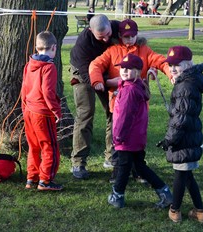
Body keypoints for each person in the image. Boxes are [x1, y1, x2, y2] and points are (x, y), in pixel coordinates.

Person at [89, 19, 172, 183]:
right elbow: (95, 65)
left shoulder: (144, 50)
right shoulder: (112, 51)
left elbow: (160, 61)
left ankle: (138, 170)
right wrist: (97, 81)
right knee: (117, 139)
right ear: (120, 35)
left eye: (133, 36)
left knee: (138, 138)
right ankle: (118, 170)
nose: (129, 39)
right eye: (126, 36)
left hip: (139, 108)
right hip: (118, 106)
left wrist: (170, 74)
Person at [107, 53, 173, 209]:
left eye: (129, 69)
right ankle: (164, 191)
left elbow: (125, 116)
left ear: (137, 71)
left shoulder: (129, 91)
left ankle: (117, 195)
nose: (124, 71)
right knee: (139, 166)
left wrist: (118, 136)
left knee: (123, 167)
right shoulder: (135, 86)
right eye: (122, 68)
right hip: (136, 137)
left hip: (127, 138)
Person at [157, 46, 203, 223]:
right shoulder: (190, 81)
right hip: (191, 135)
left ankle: (175, 210)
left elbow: (180, 119)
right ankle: (200, 212)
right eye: (170, 65)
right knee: (187, 174)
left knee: (180, 174)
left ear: (187, 65)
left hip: (183, 138)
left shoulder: (185, 87)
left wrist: (169, 140)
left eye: (176, 65)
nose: (172, 69)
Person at [69, 14, 120, 179]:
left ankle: (112, 157)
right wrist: (110, 81)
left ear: (111, 25)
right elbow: (87, 75)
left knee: (115, 112)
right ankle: (78, 163)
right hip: (84, 74)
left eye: (108, 34)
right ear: (90, 30)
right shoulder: (83, 45)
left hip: (107, 71)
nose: (106, 40)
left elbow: (133, 41)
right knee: (86, 113)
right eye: (101, 37)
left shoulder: (118, 27)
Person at [21, 31, 63, 191]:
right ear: (54, 47)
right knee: (49, 146)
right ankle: (45, 180)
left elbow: (24, 88)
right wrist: (56, 110)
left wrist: (25, 106)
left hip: (29, 110)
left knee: (34, 146)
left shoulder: (29, 64)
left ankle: (31, 178)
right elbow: (48, 92)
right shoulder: (49, 67)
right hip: (42, 112)